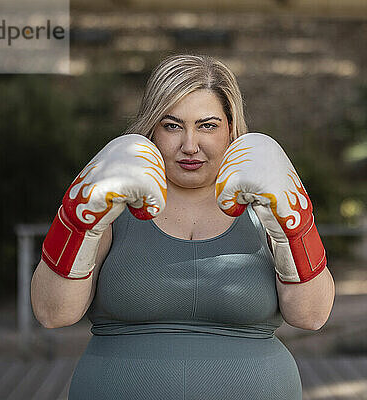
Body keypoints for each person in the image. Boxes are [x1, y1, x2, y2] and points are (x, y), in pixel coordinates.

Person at [31, 54, 335, 399]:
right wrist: (76, 219)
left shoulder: (265, 203)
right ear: (152, 128)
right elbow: (52, 313)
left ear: (231, 129)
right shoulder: (113, 205)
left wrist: (296, 226)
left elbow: (311, 315)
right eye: (172, 125)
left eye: (207, 125)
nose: (189, 145)